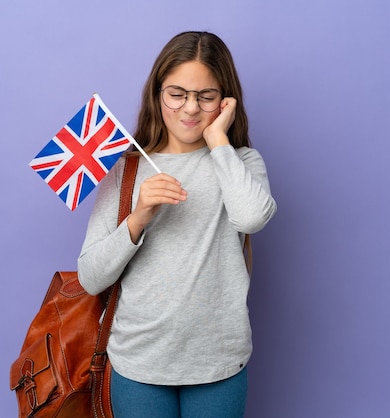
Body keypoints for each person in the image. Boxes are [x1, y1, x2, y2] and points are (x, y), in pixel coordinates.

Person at [78, 31, 276, 418]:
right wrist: (139, 216)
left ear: (225, 100)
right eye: (177, 93)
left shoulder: (241, 163)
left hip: (218, 361)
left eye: (206, 96)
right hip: (138, 362)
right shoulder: (127, 168)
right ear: (157, 94)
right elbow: (90, 277)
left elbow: (252, 216)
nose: (190, 109)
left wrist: (218, 141)